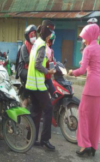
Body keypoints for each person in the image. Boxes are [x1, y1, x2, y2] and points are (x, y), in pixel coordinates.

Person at [68, 24, 100, 157]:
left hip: (92, 86)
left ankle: (85, 146)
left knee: (83, 114)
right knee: (96, 118)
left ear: (90, 36)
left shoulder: (88, 49)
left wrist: (72, 72)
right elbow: (96, 65)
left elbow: (81, 71)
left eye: (84, 37)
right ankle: (93, 146)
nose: (83, 40)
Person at [25, 20, 56, 151]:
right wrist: (48, 71)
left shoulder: (36, 42)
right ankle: (44, 140)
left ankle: (30, 139)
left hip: (31, 84)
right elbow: (38, 64)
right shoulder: (42, 45)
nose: (50, 37)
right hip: (38, 85)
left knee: (36, 111)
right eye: (50, 34)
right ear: (46, 33)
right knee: (48, 109)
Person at [17, 25, 37, 107]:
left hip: (31, 67)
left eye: (34, 35)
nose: (34, 37)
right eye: (31, 36)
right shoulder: (24, 47)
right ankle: (25, 99)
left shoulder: (35, 46)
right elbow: (27, 60)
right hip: (23, 69)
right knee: (30, 76)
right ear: (28, 37)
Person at [45, 32, 56, 96]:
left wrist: (54, 64)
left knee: (53, 93)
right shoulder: (43, 48)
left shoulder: (50, 50)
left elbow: (52, 61)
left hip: (48, 76)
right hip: (42, 77)